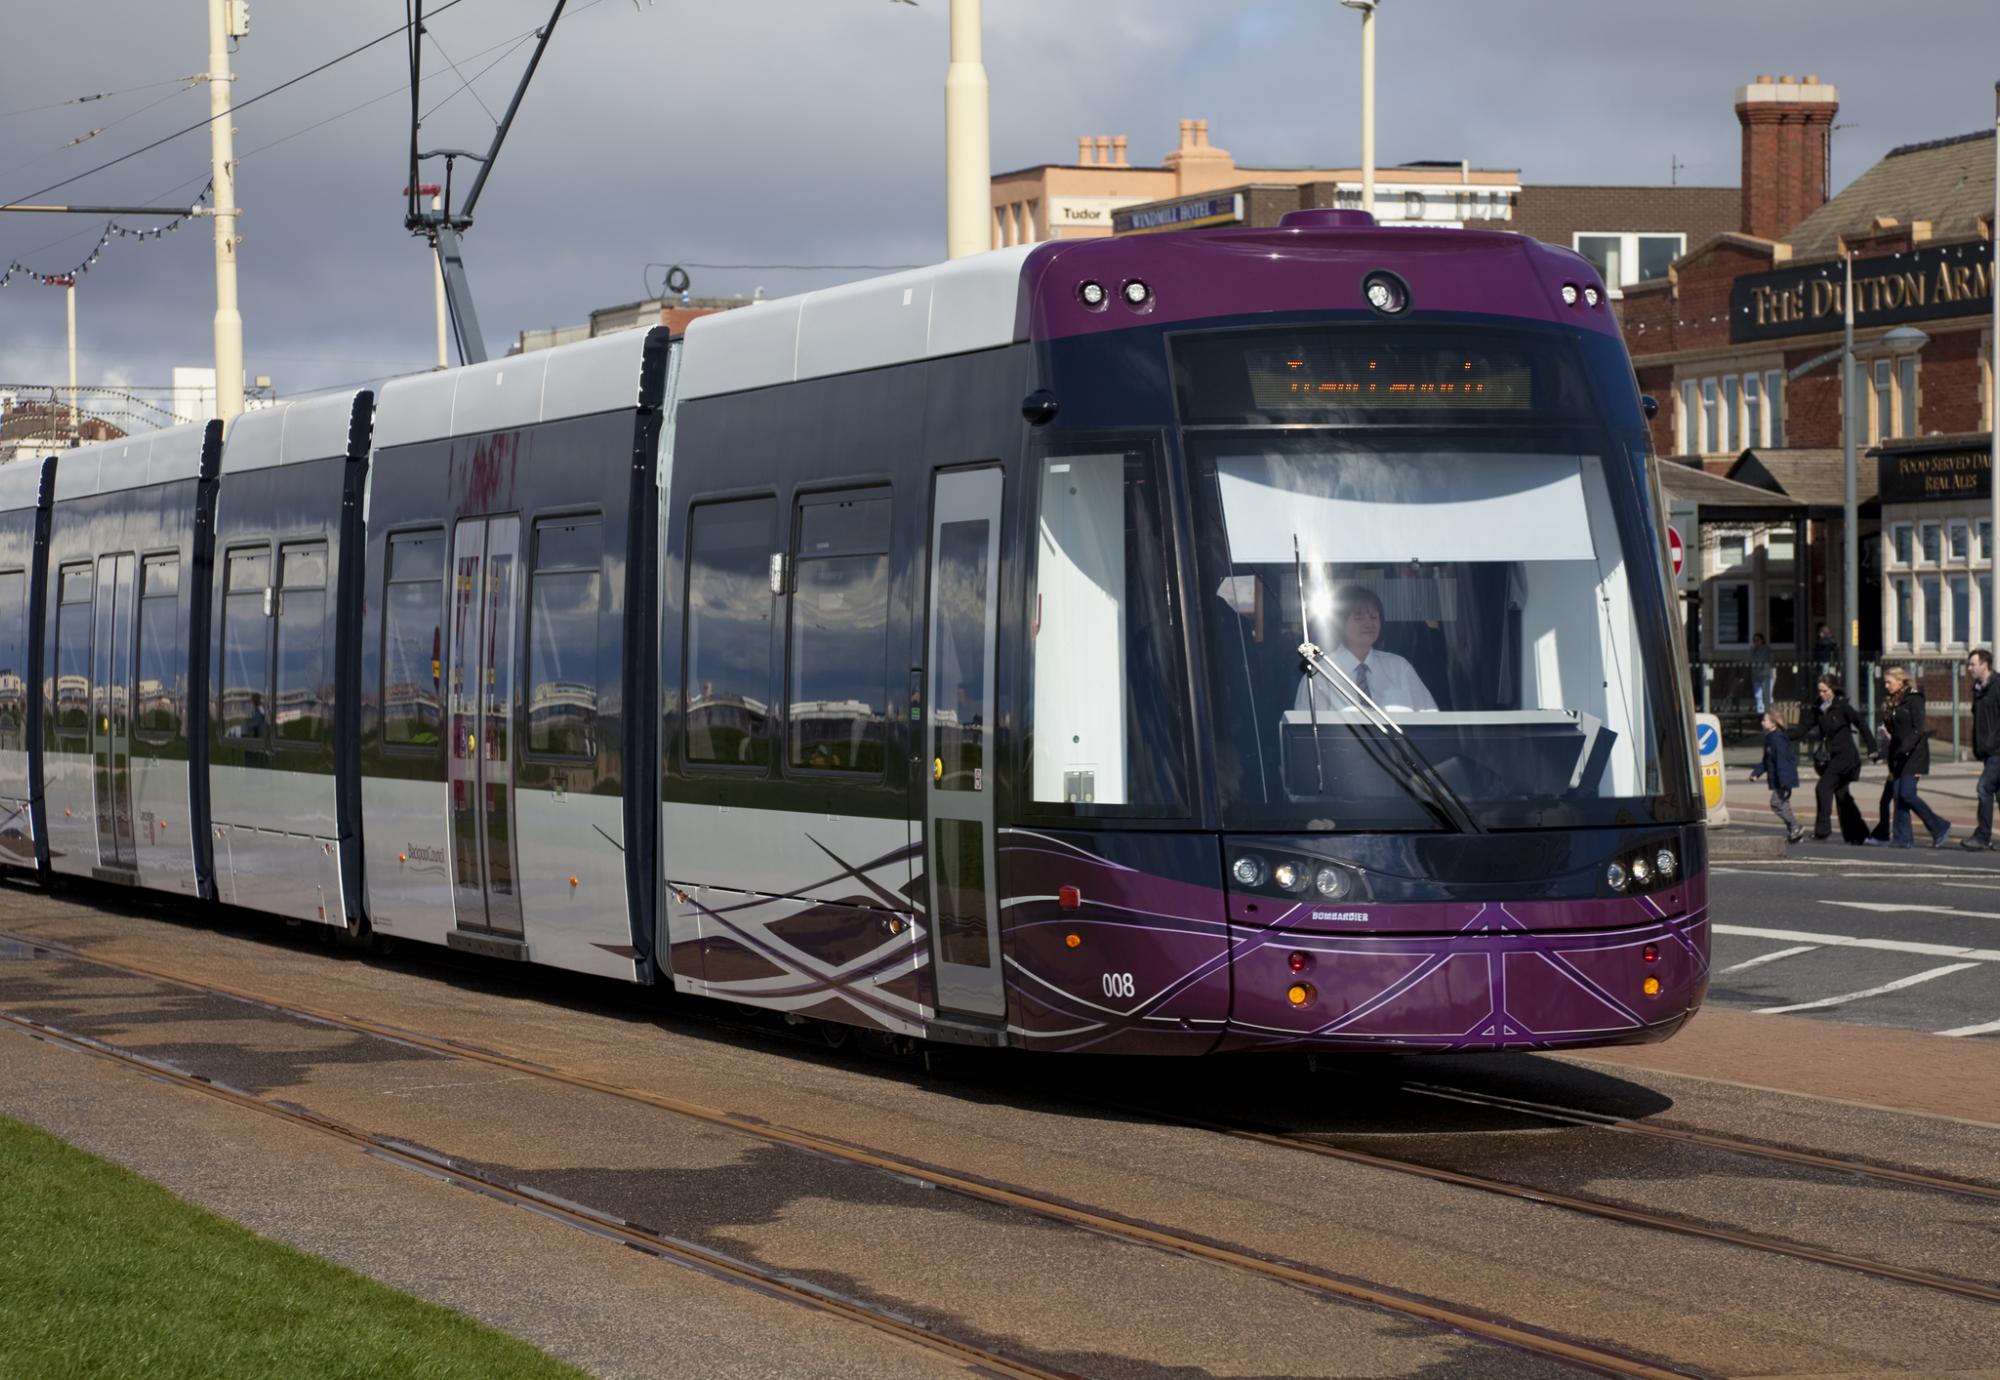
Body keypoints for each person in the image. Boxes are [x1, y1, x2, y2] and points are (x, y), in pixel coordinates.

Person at [1295, 583, 1437, 714]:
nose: (1369, 624)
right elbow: (1305, 728)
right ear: (1340, 623)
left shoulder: (1399, 668)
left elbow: (1431, 719)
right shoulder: (1321, 674)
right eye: (1359, 618)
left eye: (1374, 617)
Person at [1877, 666, 1951, 849]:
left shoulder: (1914, 699)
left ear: (1900, 681)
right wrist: (1883, 752)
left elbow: (1918, 729)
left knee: (1907, 794)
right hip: (1898, 755)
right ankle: (1903, 838)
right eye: (1885, 683)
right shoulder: (1893, 701)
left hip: (1915, 754)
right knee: (1897, 794)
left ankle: (1939, 826)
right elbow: (1894, 732)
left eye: (1889, 682)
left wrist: (1905, 747)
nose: (1886, 686)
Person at [1790, 675, 1868, 842]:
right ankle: (1857, 834)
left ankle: (1823, 831)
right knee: (1841, 794)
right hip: (1832, 756)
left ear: (1833, 689)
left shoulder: (1842, 706)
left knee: (1823, 787)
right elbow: (1804, 728)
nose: (1822, 694)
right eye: (1819, 691)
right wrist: (1783, 736)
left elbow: (1861, 723)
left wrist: (1873, 748)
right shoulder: (1819, 708)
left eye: (1825, 691)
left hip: (1845, 756)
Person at [1962, 648, 2000, 850]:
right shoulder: (1978, 689)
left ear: (1985, 665)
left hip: (1998, 750)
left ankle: (1982, 837)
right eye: (1968, 664)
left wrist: (1993, 742)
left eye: (1973, 664)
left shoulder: (1997, 686)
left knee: (1984, 788)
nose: (1969, 668)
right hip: (1988, 751)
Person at [1748, 710, 1805, 843]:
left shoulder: (1777, 739)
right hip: (1779, 778)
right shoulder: (1770, 738)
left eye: (1765, 720)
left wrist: (1784, 781)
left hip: (1783, 778)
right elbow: (1766, 760)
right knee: (1783, 804)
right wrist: (1756, 773)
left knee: (1776, 803)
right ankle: (1794, 832)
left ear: (1773, 723)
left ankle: (1795, 826)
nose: (1762, 722)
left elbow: (1782, 760)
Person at [1749, 632, 1774, 713]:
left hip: (1766, 676)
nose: (1756, 642)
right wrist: (1752, 651)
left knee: (1767, 696)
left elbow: (1768, 661)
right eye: (1754, 640)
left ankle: (1769, 713)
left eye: (1758, 640)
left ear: (1762, 640)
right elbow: (1749, 660)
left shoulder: (1767, 650)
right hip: (1756, 676)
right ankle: (1760, 713)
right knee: (1758, 696)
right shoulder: (1753, 650)